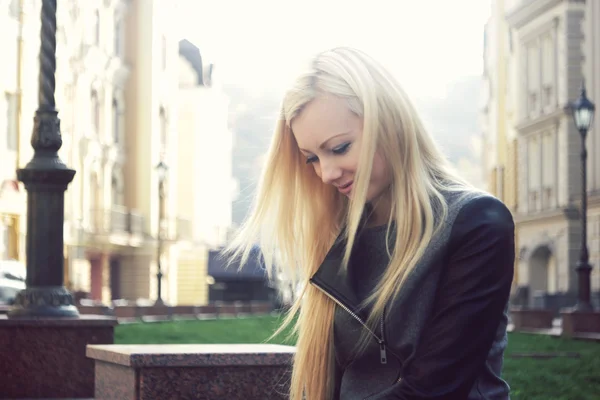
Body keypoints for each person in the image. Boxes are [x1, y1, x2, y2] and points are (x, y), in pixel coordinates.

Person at [227, 47, 515, 400]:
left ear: (389, 122)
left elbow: (435, 389)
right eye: (312, 159)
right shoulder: (338, 232)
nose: (327, 174)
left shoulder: (478, 223)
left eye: (340, 147)